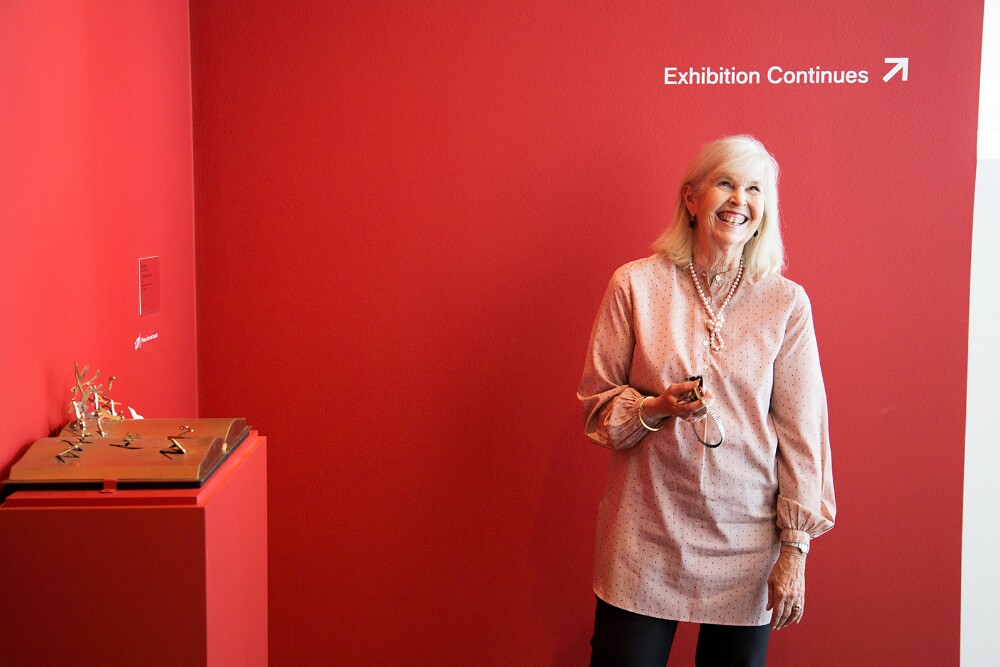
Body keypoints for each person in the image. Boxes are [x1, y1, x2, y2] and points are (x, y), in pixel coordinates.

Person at [577, 135, 835, 666]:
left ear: (765, 209)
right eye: (725, 183)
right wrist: (655, 409)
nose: (739, 200)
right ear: (692, 198)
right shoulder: (636, 285)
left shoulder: (785, 303)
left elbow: (802, 432)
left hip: (747, 540)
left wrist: (795, 549)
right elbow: (598, 408)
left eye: (754, 189)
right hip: (645, 533)